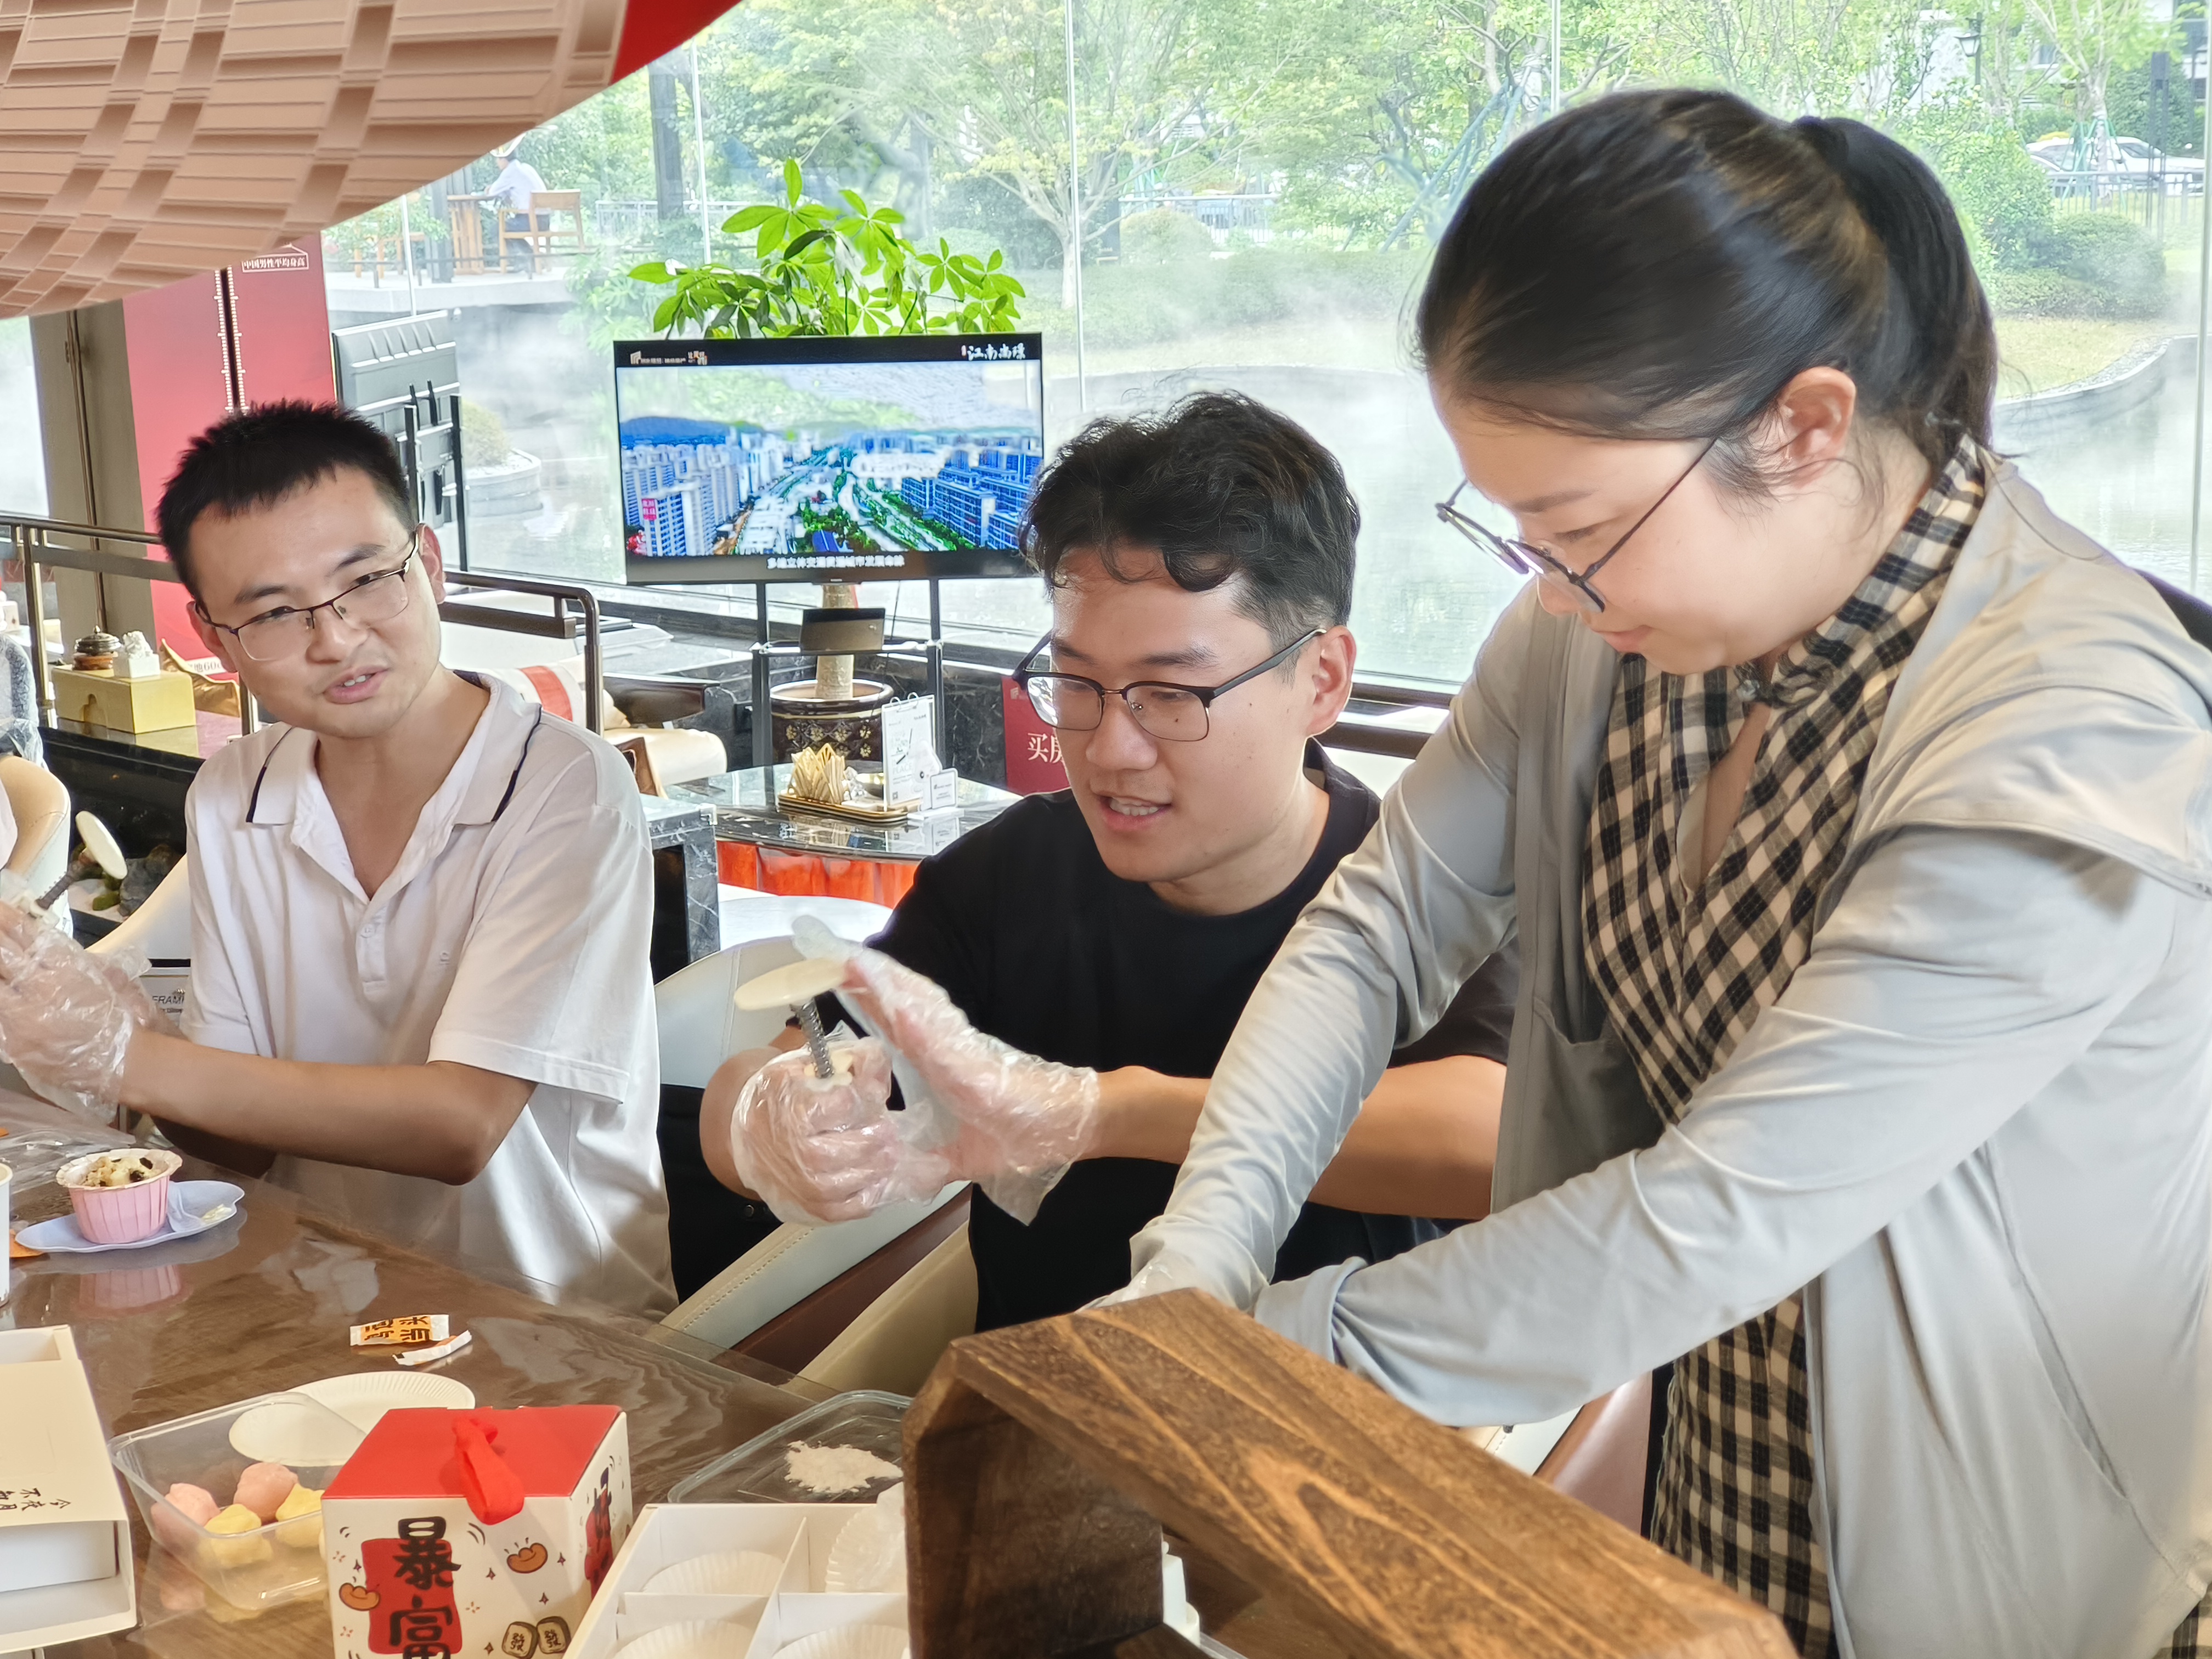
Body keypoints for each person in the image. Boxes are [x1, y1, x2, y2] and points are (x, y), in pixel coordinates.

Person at [1074, 92, 2212, 1659]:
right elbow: (1377, 931)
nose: (1551, 586)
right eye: (1517, 529)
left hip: (1994, 1588)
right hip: (1702, 1519)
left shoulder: (2072, 718)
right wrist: (1197, 1257)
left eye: (1582, 525)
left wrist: (1246, 1362)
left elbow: (1721, 1210)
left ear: (1801, 429)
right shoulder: (1603, 640)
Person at [702, 392, 1517, 1329]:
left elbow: (1492, 1139)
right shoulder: (1010, 874)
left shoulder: (1426, 884)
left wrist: (1108, 1112)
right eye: (1077, 682)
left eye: (1170, 693)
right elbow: (771, 1076)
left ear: (1322, 680)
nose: (1108, 749)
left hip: (1326, 1408)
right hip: (1029, 1406)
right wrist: (768, 1123)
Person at [0, 402, 672, 1313]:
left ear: (427, 563)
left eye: (366, 581)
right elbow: (241, 1146)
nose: (338, 639)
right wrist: (110, 1018)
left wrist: (129, 1058)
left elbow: (461, 1126)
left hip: (554, 1320)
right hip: (319, 1298)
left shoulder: (564, 785)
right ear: (215, 638)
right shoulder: (234, 791)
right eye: (275, 612)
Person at [485, 143, 550, 274]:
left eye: (498, 159)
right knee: (509, 227)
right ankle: (531, 259)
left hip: (529, 220)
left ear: (503, 159)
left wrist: (489, 189)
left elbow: (492, 192)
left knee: (497, 228)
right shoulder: (527, 168)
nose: (497, 163)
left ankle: (524, 261)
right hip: (545, 221)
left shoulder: (511, 171)